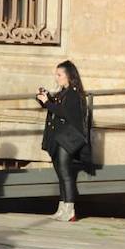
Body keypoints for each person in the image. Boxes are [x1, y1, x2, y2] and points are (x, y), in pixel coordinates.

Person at [38, 61, 91, 222]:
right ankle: (62, 208)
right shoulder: (64, 92)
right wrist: (44, 99)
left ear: (69, 76)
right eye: (56, 74)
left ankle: (70, 210)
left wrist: (48, 103)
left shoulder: (73, 94)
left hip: (67, 138)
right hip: (59, 137)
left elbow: (64, 113)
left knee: (65, 173)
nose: (57, 77)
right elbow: (57, 107)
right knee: (61, 174)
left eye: (59, 74)